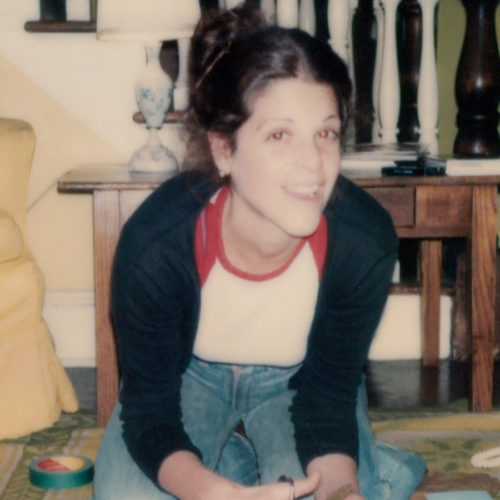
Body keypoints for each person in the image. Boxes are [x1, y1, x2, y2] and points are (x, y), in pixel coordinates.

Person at [93, 4, 426, 500]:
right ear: (224, 149)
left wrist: (343, 491)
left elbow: (328, 400)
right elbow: (150, 415)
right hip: (188, 378)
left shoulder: (363, 242)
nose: (312, 163)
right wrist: (212, 492)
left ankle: (378, 472)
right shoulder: (156, 246)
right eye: (279, 135)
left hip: (300, 386)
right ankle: (237, 469)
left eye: (326, 133)